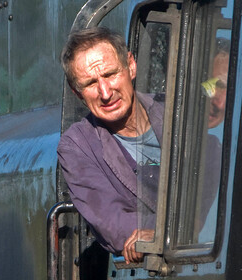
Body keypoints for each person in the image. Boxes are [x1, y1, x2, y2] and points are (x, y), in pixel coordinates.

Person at [57, 27, 163, 263]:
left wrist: (163, 231)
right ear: (77, 93)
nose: (105, 93)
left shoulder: (177, 112)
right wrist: (180, 229)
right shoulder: (77, 147)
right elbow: (113, 223)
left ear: (131, 66)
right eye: (91, 83)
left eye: (111, 74)